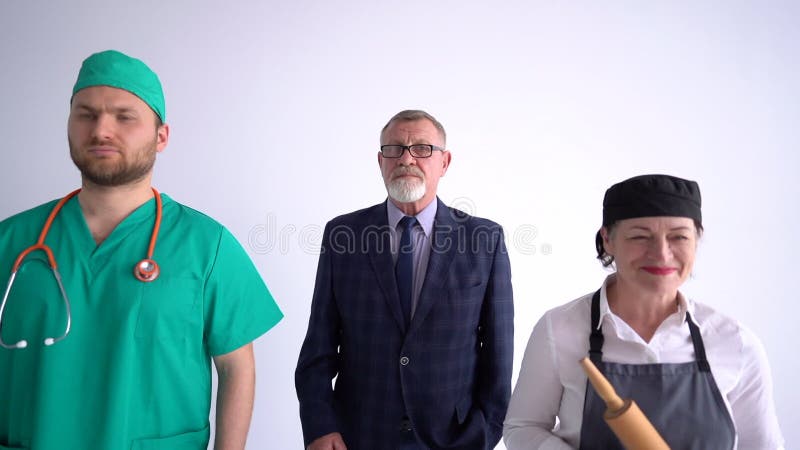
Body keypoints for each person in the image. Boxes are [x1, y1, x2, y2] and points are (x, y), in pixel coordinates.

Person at [0, 50, 283, 450]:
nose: (101, 129)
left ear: (161, 136)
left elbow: (236, 368)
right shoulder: (11, 241)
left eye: (123, 116)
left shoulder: (207, 246)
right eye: (86, 114)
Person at [503, 174, 784, 449]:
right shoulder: (560, 329)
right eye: (640, 236)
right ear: (608, 240)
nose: (662, 253)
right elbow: (523, 427)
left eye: (679, 237)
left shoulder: (735, 342)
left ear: (696, 241)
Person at [295, 110, 514, 450]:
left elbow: (498, 359)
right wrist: (320, 427)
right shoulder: (343, 235)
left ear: (445, 162)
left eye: (422, 148)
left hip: (453, 439)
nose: (407, 158)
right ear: (381, 161)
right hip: (358, 437)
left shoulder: (485, 239)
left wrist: (480, 437)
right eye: (395, 149)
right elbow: (318, 349)